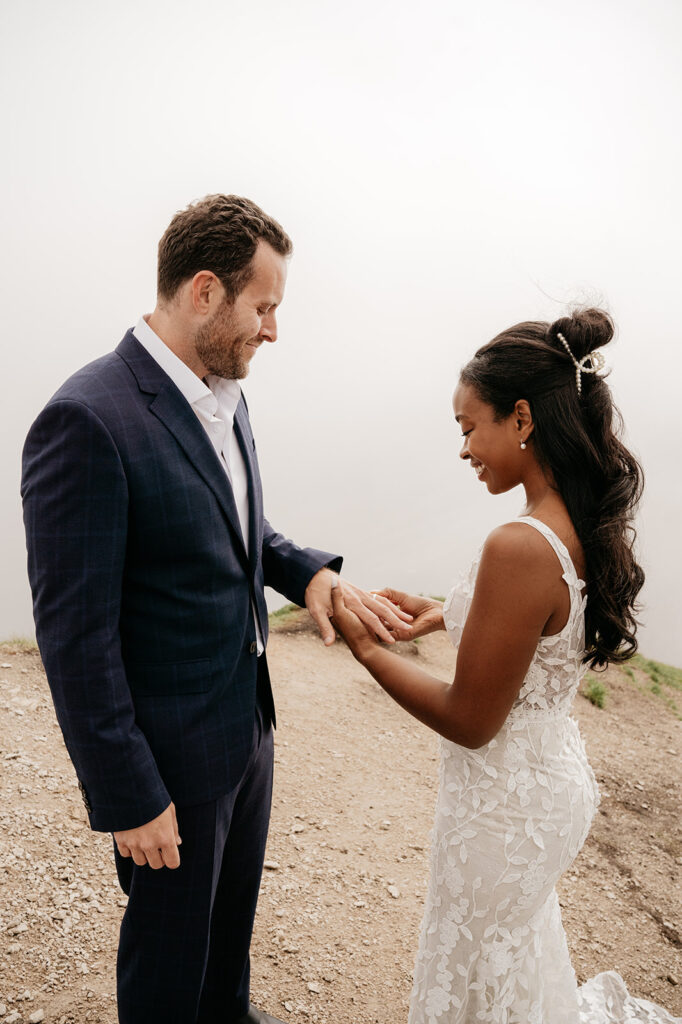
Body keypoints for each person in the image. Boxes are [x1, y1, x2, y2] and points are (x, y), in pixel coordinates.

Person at [21, 194, 410, 1024]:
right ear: (205, 291)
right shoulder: (88, 418)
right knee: (167, 962)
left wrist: (310, 575)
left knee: (225, 940)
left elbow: (240, 530)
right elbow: (74, 639)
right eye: (263, 307)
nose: (273, 330)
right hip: (166, 765)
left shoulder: (222, 394)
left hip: (246, 731)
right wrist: (130, 797)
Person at [331, 309, 681, 1023]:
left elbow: (470, 718)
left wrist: (366, 646)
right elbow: (541, 626)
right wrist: (443, 611)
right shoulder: (573, 520)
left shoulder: (517, 543)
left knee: (476, 972)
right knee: (509, 962)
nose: (463, 449)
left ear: (521, 417)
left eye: (468, 427)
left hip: (505, 808)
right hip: (546, 782)